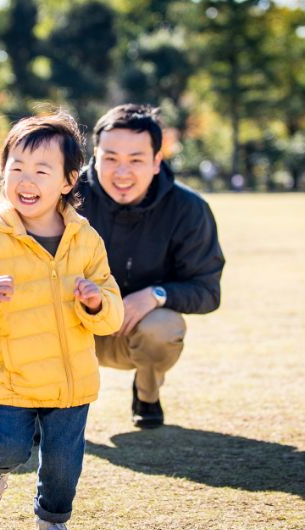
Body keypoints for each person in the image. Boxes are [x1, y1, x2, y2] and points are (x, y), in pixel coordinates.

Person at [0, 111, 124, 530]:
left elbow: (112, 310)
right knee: (11, 446)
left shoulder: (85, 239)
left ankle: (52, 523)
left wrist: (96, 302)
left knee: (63, 465)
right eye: (16, 167)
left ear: (67, 180)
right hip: (11, 374)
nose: (26, 178)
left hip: (69, 378)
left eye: (42, 170)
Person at [77, 104, 225, 429]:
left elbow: (207, 290)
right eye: (111, 158)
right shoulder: (67, 198)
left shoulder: (190, 210)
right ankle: (38, 409)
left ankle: (147, 392)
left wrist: (155, 295)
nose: (122, 172)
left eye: (136, 160)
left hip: (135, 330)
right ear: (95, 156)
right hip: (74, 325)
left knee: (164, 326)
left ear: (157, 162)